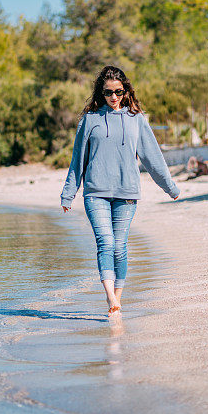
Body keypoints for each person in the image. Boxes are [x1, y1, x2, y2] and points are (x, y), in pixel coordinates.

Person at [60, 65, 180, 316]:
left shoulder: (137, 120)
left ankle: (118, 299)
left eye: (118, 91)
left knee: (119, 247)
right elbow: (77, 160)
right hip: (96, 193)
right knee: (105, 242)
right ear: (100, 93)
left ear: (126, 91)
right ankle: (110, 297)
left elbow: (152, 158)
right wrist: (68, 194)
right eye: (107, 92)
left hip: (127, 193)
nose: (113, 97)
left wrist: (170, 187)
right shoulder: (90, 120)